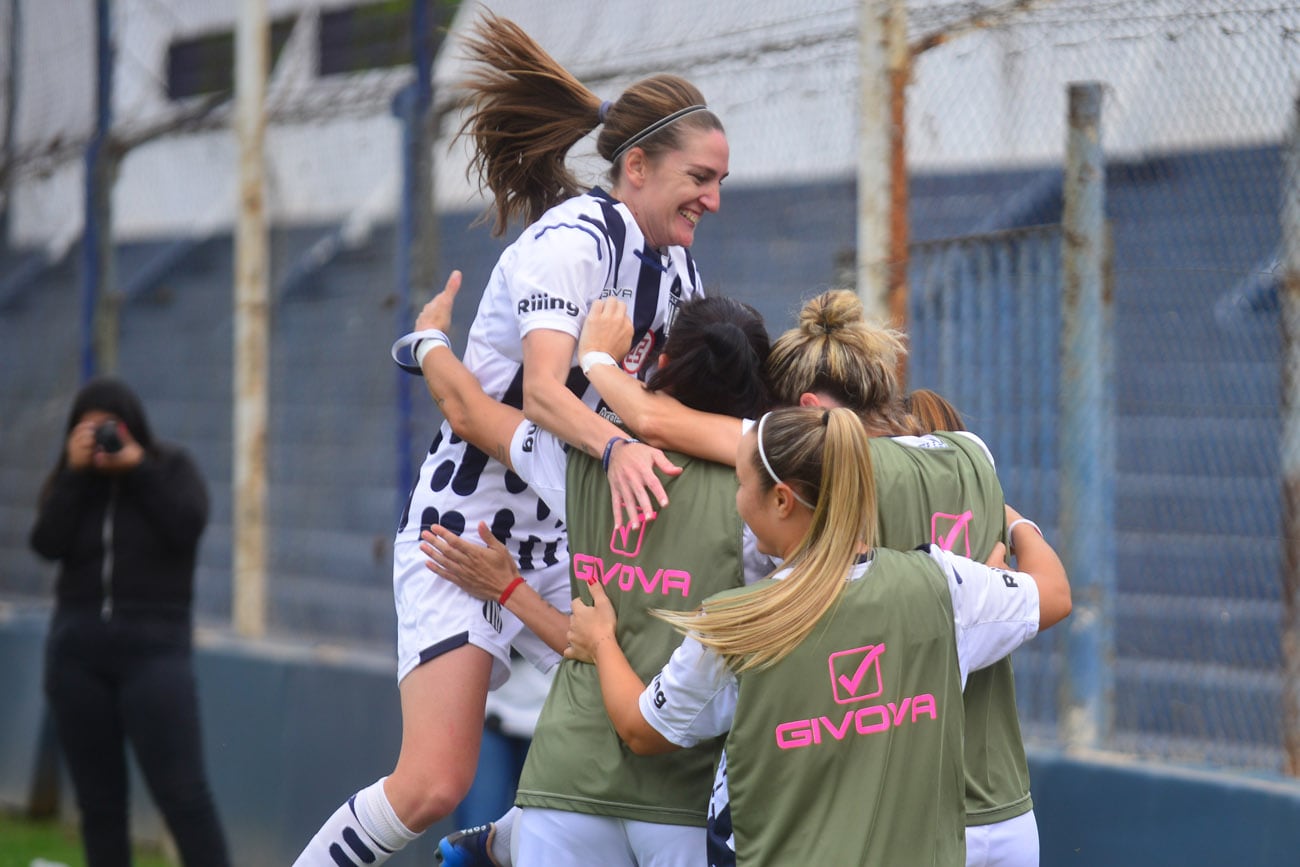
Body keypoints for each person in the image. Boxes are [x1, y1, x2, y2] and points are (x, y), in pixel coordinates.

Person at [291, 10, 729, 865]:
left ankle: (506, 846)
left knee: (654, 710)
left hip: (568, 531)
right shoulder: (569, 245)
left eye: (721, 180)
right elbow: (537, 395)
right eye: (701, 177)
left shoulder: (676, 267)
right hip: (470, 530)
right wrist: (616, 445)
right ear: (635, 167)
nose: (714, 199)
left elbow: (673, 395)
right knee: (431, 784)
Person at [584, 290, 1042, 866]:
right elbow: (1043, 601)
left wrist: (595, 360)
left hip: (900, 811)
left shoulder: (820, 462)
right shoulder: (972, 454)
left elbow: (654, 418)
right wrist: (1017, 537)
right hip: (1000, 795)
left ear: (806, 410)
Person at [408, 273, 773, 865]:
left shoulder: (584, 456)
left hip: (568, 780)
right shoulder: (768, 504)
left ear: (662, 361)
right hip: (686, 795)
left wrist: (428, 342)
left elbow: (469, 411)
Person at [28, 376, 230, 867]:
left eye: (108, 427)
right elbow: (45, 543)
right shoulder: (71, 482)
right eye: (87, 428)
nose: (100, 439)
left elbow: (187, 525)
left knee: (183, 795)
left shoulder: (169, 467)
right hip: (77, 656)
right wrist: (75, 475)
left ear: (132, 426)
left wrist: (135, 466)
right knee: (99, 805)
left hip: (155, 655)